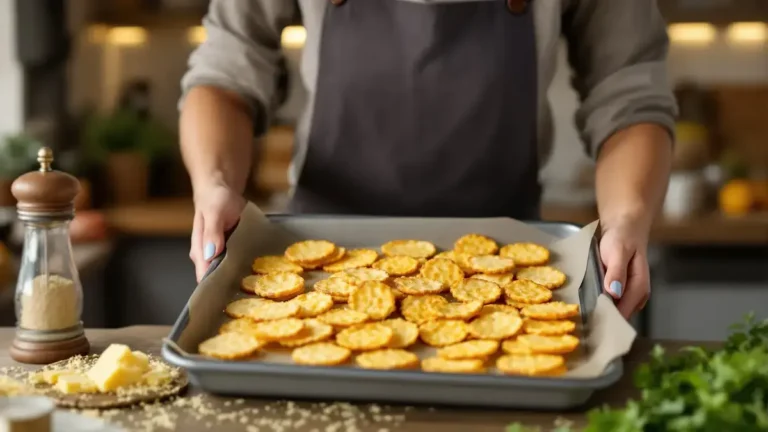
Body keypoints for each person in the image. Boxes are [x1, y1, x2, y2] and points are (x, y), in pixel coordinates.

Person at [179, 0, 677, 320]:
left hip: (504, 276)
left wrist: (626, 216)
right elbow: (227, 71)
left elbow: (628, 90)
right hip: (318, 273)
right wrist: (214, 183)